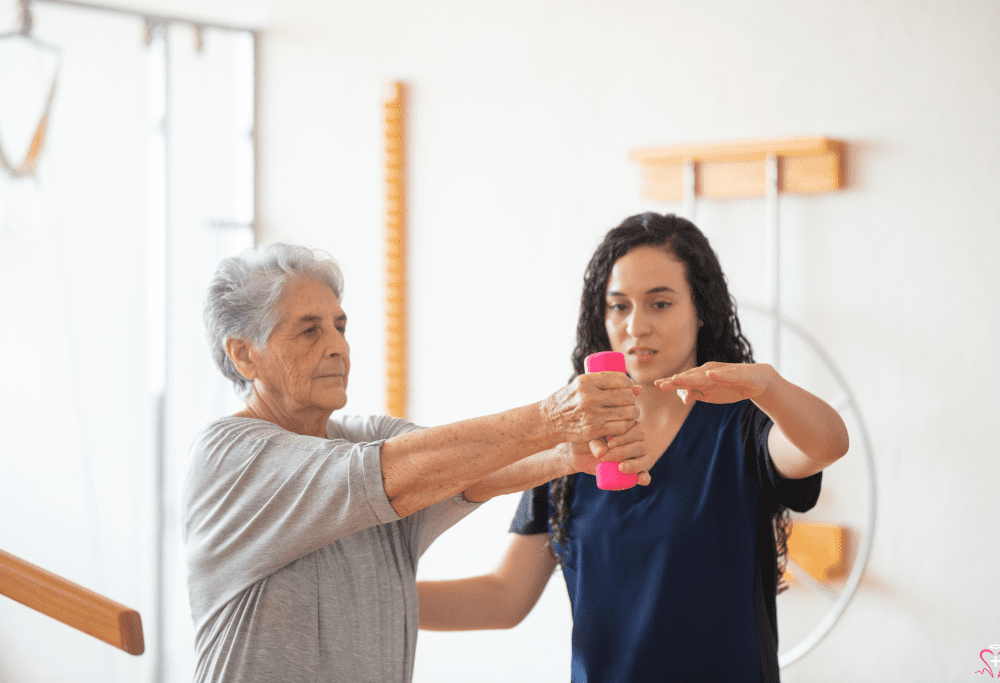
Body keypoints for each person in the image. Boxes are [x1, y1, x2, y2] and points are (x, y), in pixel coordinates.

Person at [181, 242, 646, 683]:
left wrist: (566, 454)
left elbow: (463, 471)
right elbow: (388, 477)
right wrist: (551, 419)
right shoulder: (228, 456)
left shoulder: (368, 437)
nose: (338, 347)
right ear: (244, 354)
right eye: (309, 330)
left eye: (339, 327)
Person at [417, 212, 850, 683]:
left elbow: (826, 443)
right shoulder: (573, 448)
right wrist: (371, 594)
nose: (635, 326)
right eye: (619, 306)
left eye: (660, 304)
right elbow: (503, 597)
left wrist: (766, 383)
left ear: (700, 309)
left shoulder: (742, 429)